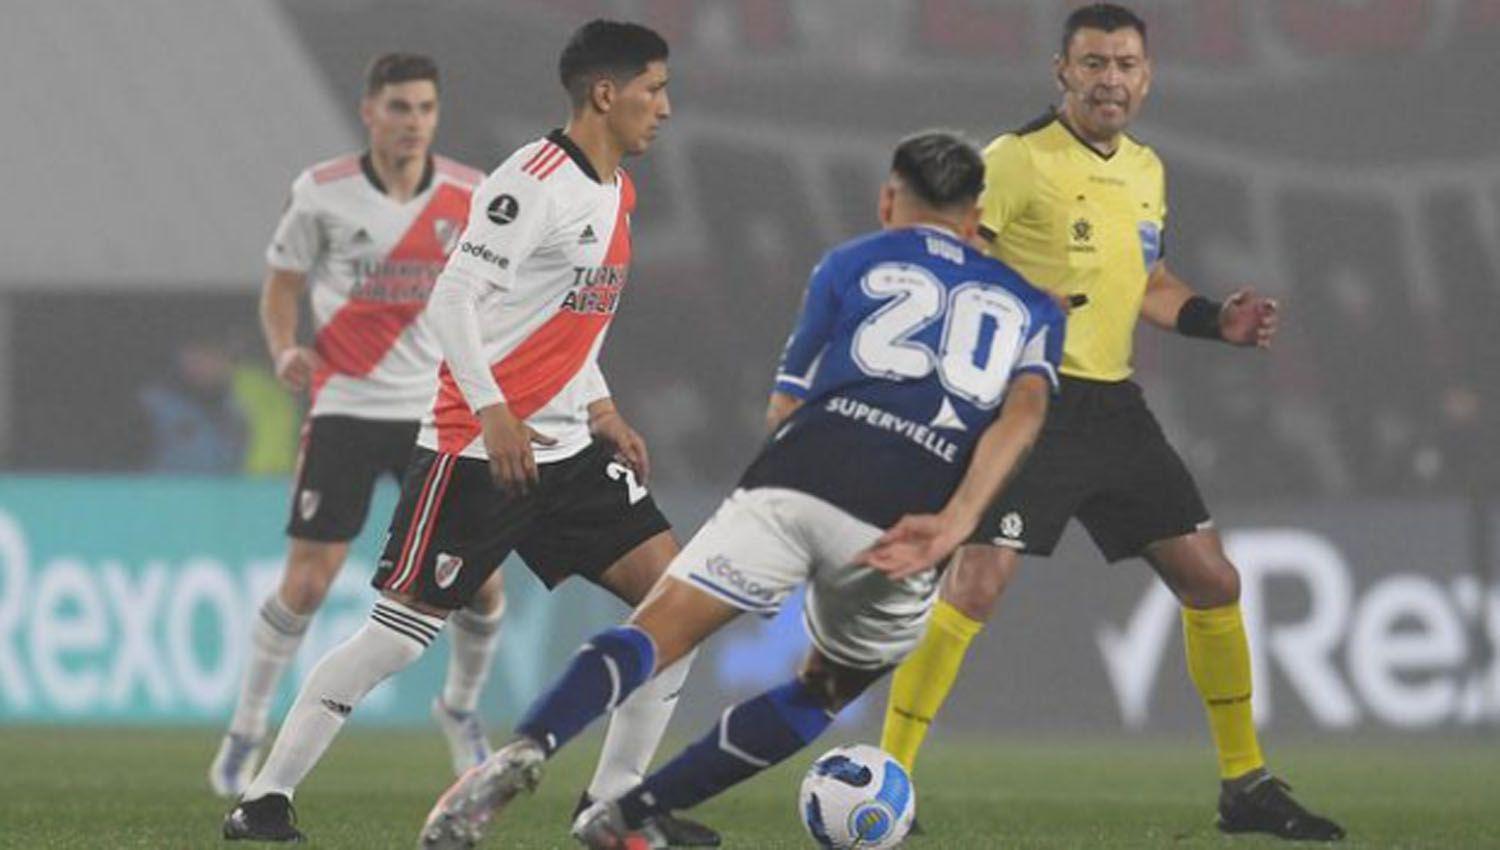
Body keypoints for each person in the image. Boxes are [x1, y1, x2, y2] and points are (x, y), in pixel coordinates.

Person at [414, 131, 1064, 850]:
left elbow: (785, 407)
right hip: (904, 519)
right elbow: (1023, 418)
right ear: (977, 222)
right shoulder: (1035, 307)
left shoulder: (847, 263)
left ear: (888, 201)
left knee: (654, 631)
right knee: (825, 689)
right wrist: (956, 523)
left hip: (796, 477)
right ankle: (626, 815)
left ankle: (529, 747)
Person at [222, 21, 718, 847]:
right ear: (605, 92)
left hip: (567, 451)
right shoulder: (532, 182)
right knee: (394, 640)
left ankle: (615, 807)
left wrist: (601, 408)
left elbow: (566, 324)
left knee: (681, 606)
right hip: (477, 454)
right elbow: (453, 299)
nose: (665, 108)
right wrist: (493, 410)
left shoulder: (618, 189)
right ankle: (263, 800)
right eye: (654, 88)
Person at [876, 4, 1345, 842]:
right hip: (1027, 403)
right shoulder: (1016, 161)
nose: (1111, 80)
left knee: (1214, 581)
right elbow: (943, 254)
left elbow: (1149, 280)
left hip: (1114, 405)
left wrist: (1210, 319)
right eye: (1093, 64)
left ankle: (1245, 786)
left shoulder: (1147, 170)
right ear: (1062, 71)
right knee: (976, 585)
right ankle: (889, 781)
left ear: (1148, 75)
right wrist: (1016, 301)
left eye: (1126, 64)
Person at [209, 53, 509, 799]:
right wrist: (284, 349)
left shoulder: (473, 195)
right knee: (307, 585)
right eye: (399, 108)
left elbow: (496, 294)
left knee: (484, 585)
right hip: (345, 405)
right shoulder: (322, 193)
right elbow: (280, 285)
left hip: (436, 413)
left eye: (425, 109)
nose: (413, 123)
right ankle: (246, 728)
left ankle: (461, 710)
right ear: (369, 110)